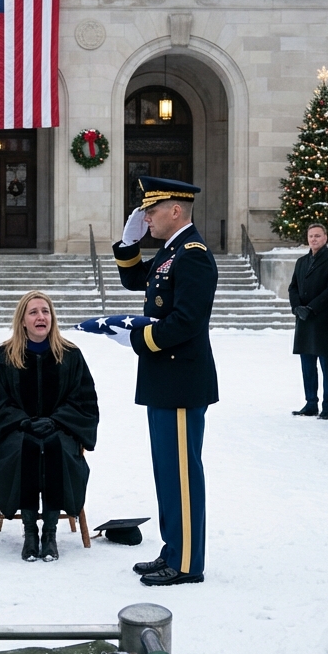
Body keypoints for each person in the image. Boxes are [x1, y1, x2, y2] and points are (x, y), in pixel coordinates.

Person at [112, 176, 217, 586]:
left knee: (181, 475)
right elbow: (138, 281)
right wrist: (128, 246)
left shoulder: (192, 254)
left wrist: (138, 338)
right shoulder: (173, 251)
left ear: (176, 210)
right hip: (166, 378)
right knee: (167, 472)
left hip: (180, 379)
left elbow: (188, 322)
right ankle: (175, 547)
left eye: (152, 211)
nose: (146, 218)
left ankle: (187, 562)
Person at [0, 292, 99, 563]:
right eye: (33, 312)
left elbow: (84, 401)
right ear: (22, 320)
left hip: (61, 430)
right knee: (27, 447)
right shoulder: (4, 356)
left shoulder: (70, 355)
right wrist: (22, 421)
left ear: (52, 318)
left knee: (53, 447)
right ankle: (30, 532)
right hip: (16, 432)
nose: (40, 317)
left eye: (45, 311)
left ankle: (50, 533)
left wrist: (56, 421)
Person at [289, 223, 328, 419]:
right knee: (307, 365)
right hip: (303, 321)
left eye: (318, 236)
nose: (314, 239)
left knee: (327, 368)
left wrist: (311, 308)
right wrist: (297, 307)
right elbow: (292, 287)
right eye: (311, 236)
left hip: (321, 321)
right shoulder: (301, 261)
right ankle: (311, 403)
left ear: (325, 238)